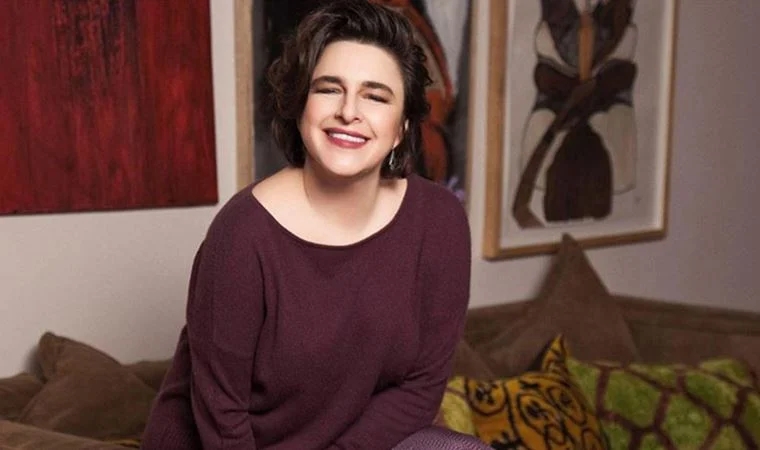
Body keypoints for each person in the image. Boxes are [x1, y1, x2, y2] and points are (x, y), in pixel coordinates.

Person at [142, 1, 484, 448]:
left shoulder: (439, 222)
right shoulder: (242, 234)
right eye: (329, 89)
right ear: (301, 105)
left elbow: (420, 387)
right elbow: (222, 415)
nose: (349, 111)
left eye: (376, 96)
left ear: (401, 127)